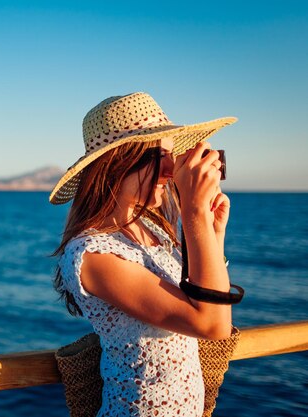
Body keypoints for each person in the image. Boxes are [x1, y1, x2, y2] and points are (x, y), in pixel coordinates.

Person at [51, 92, 235, 417]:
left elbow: (205, 299)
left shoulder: (154, 230)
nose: (170, 169)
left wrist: (210, 231)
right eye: (158, 156)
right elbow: (211, 324)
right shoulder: (92, 254)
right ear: (117, 162)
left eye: (172, 153)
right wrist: (192, 213)